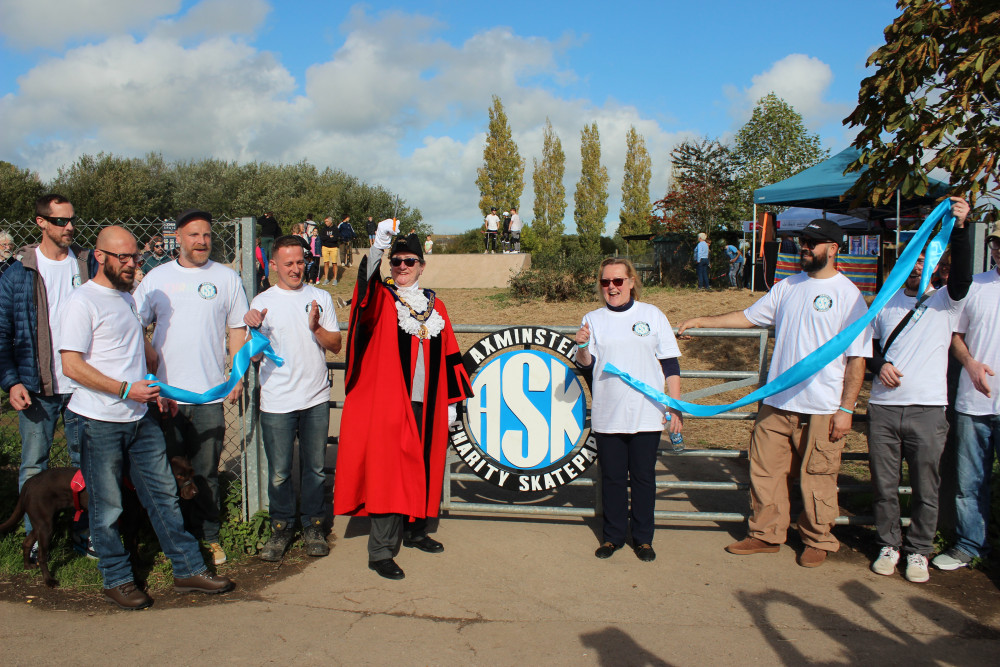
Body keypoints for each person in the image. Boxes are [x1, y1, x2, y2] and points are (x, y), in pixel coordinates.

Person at [678, 219, 871, 568]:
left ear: (833, 248)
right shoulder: (787, 288)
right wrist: (701, 320)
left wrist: (847, 408)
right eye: (803, 241)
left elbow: (858, 359)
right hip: (778, 401)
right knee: (765, 471)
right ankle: (766, 534)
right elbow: (749, 318)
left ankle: (817, 539)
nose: (805, 247)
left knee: (819, 475)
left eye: (813, 242)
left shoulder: (850, 296)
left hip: (823, 406)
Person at [59, 225, 233, 610]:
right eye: (122, 257)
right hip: (98, 420)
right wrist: (124, 390)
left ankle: (187, 569)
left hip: (141, 416)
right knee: (108, 507)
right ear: (100, 257)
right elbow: (71, 365)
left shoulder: (125, 300)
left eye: (134, 257)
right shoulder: (82, 301)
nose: (131, 264)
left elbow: (133, 355)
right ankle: (117, 579)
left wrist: (156, 392)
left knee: (164, 495)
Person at [334, 229, 472, 580]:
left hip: (429, 403)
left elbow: (452, 354)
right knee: (390, 474)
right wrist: (377, 248)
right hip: (391, 405)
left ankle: (415, 532)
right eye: (396, 262)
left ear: (422, 266)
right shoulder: (383, 300)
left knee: (425, 466)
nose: (402, 266)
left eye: (409, 261)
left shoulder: (435, 305)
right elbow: (362, 290)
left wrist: (452, 402)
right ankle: (381, 551)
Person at [133, 209, 250, 567]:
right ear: (178, 239)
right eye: (194, 235)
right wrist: (148, 351)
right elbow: (132, 324)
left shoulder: (227, 278)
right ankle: (173, 539)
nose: (201, 241)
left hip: (210, 395)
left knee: (205, 472)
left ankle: (209, 537)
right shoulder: (156, 278)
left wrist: (237, 373)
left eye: (207, 235)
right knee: (166, 472)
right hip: (164, 397)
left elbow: (236, 330)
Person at [866, 197, 971, 582]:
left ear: (935, 266)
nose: (916, 270)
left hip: (928, 408)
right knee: (884, 484)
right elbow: (865, 351)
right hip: (884, 407)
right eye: (911, 263)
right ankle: (888, 544)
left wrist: (960, 230)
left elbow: (962, 277)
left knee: (926, 486)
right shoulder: (882, 303)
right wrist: (880, 366)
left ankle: (919, 550)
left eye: (925, 262)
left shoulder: (947, 302)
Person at [0, 194, 92, 558]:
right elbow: (2, 331)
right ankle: (37, 539)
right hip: (35, 385)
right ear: (41, 222)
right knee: (33, 463)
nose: (68, 227)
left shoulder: (86, 265)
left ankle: (84, 536)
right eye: (59, 221)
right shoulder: (17, 272)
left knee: (83, 464)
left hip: (82, 386)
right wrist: (11, 381)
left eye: (71, 220)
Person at [575, 258, 682, 563]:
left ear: (632, 282)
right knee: (611, 478)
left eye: (618, 281)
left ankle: (644, 538)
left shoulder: (652, 314)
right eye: (605, 282)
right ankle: (613, 537)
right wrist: (581, 345)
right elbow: (587, 366)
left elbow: (670, 364)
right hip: (609, 413)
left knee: (644, 477)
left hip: (647, 413)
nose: (611, 287)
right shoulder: (592, 319)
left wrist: (675, 407)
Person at [244, 235, 342, 561]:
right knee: (280, 472)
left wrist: (315, 327)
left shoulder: (320, 297)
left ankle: (314, 526)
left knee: (314, 469)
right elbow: (253, 359)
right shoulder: (261, 303)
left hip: (314, 398)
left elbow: (336, 345)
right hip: (277, 401)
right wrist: (255, 331)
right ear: (274, 265)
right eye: (289, 263)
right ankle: (281, 528)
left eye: (300, 262)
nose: (296, 268)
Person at [933, 219, 1000, 572]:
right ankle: (970, 545)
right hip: (974, 403)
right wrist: (970, 364)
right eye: (997, 243)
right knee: (969, 482)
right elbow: (954, 335)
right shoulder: (975, 287)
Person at [319, 216, 339, 286]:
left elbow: (336, 239)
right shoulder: (324, 229)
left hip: (333, 247)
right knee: (326, 263)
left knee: (334, 263)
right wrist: (329, 237)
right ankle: (326, 279)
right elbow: (322, 238)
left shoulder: (335, 229)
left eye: (327, 221)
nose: (325, 223)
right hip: (325, 247)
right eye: (325, 222)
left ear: (330, 221)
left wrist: (328, 238)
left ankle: (335, 279)